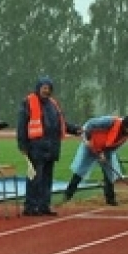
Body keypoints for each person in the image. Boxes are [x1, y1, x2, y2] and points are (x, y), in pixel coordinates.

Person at [16, 75, 81, 216]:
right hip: (36, 147)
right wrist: (22, 144)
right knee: (35, 178)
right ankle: (31, 206)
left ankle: (44, 205)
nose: (46, 91)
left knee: (47, 179)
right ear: (38, 88)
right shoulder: (28, 102)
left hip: (51, 147)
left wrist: (75, 129)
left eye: (49, 88)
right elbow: (22, 125)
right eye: (44, 88)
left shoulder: (53, 104)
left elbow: (60, 123)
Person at [63, 114, 128, 206]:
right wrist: (88, 139)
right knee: (81, 170)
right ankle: (67, 196)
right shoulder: (110, 121)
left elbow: (114, 147)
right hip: (90, 146)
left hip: (106, 150)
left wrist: (103, 153)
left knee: (109, 174)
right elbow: (90, 124)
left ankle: (110, 199)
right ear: (126, 126)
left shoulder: (125, 135)